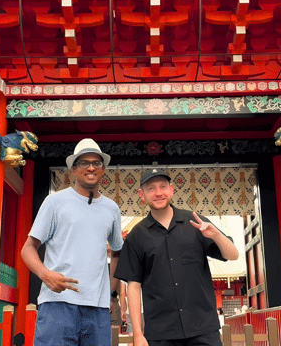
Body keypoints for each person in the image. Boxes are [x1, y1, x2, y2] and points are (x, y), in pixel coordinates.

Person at [115, 167, 240, 346]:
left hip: (203, 328)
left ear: (172, 190)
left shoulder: (195, 222)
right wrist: (138, 334)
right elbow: (133, 286)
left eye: (163, 187)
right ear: (141, 195)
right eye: (151, 188)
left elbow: (232, 255)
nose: (158, 193)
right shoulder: (136, 235)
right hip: (161, 332)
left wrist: (216, 235)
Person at [21, 138, 124, 346]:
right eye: (84, 163)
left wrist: (112, 294)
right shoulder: (55, 202)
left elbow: (117, 252)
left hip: (97, 307)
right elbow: (28, 249)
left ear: (103, 169)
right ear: (74, 169)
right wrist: (45, 274)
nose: (91, 167)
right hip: (57, 304)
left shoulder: (111, 208)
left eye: (96, 163)